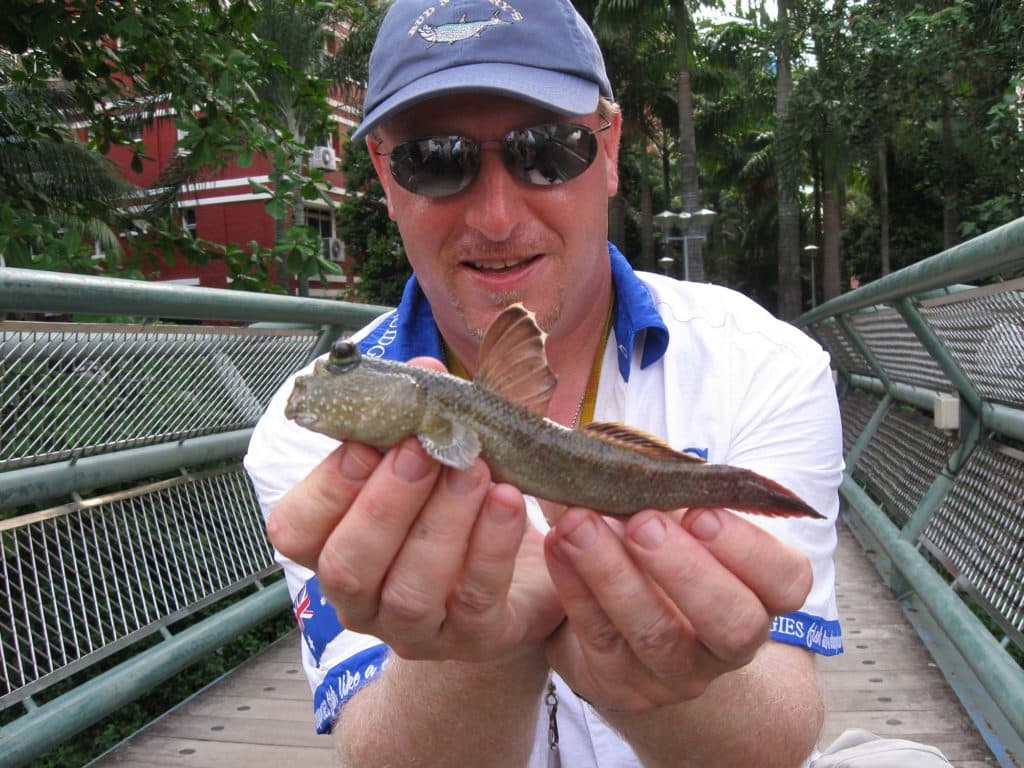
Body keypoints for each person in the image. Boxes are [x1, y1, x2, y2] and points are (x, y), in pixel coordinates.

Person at [245, 1, 849, 765]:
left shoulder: (768, 364)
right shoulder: (302, 439)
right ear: (386, 180)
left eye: (548, 151)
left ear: (610, 147)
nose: (497, 218)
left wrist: (680, 682)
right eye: (436, 158)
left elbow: (782, 733)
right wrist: (488, 644)